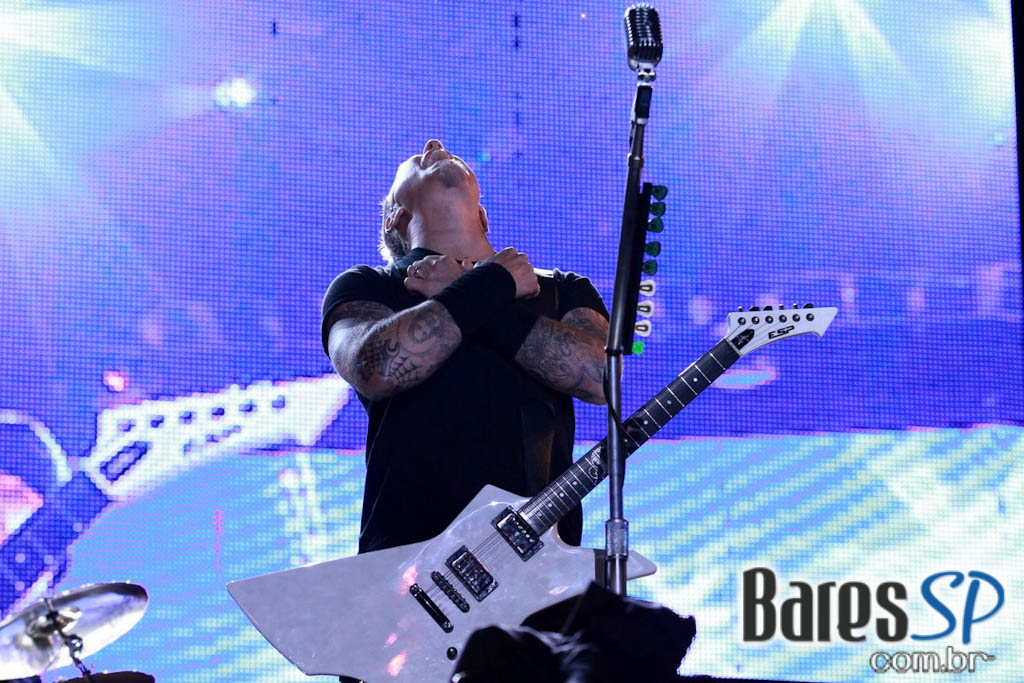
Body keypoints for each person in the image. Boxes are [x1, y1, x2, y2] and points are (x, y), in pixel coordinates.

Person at [321, 139, 609, 554]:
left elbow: (599, 377)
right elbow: (376, 368)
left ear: (482, 215)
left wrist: (470, 289)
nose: (434, 145)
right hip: (406, 566)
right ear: (394, 219)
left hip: (539, 567)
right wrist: (491, 284)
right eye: (417, 160)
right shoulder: (369, 286)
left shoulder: (562, 289)